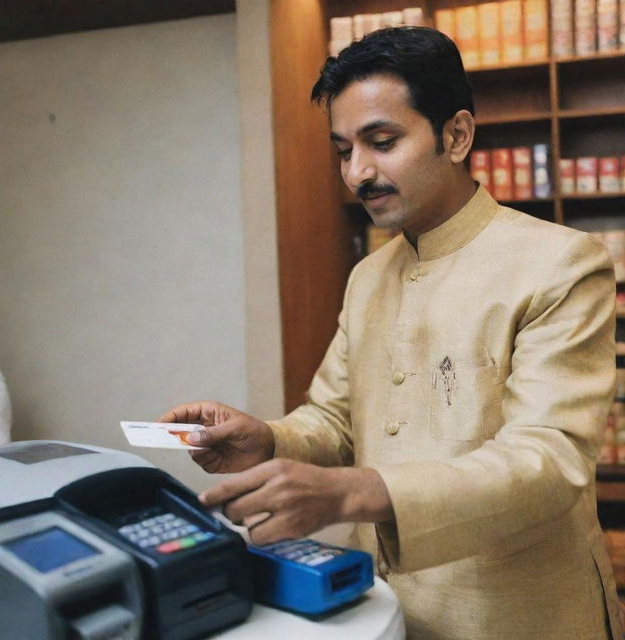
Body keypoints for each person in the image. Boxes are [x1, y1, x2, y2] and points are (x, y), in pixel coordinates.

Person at [160, 27, 621, 639]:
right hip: (383, 608)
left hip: (517, 611)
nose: (358, 173)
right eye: (344, 150)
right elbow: (335, 421)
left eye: (382, 141)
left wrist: (355, 493)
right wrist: (266, 439)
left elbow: (549, 460)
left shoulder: (561, 263)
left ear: (455, 135)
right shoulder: (368, 276)